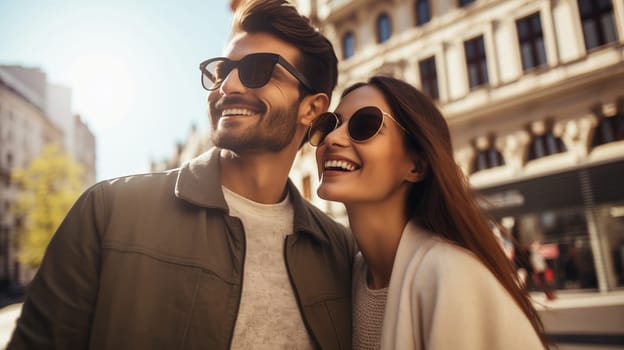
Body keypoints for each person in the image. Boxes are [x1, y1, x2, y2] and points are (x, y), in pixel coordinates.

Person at [8, 1, 356, 349]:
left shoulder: (340, 250)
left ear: (311, 108)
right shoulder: (108, 212)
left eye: (258, 69)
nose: (227, 86)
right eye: (222, 70)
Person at [308, 75, 550, 349]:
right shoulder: (351, 277)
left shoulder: (452, 274)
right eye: (330, 124)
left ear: (416, 166)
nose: (332, 138)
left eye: (365, 125)